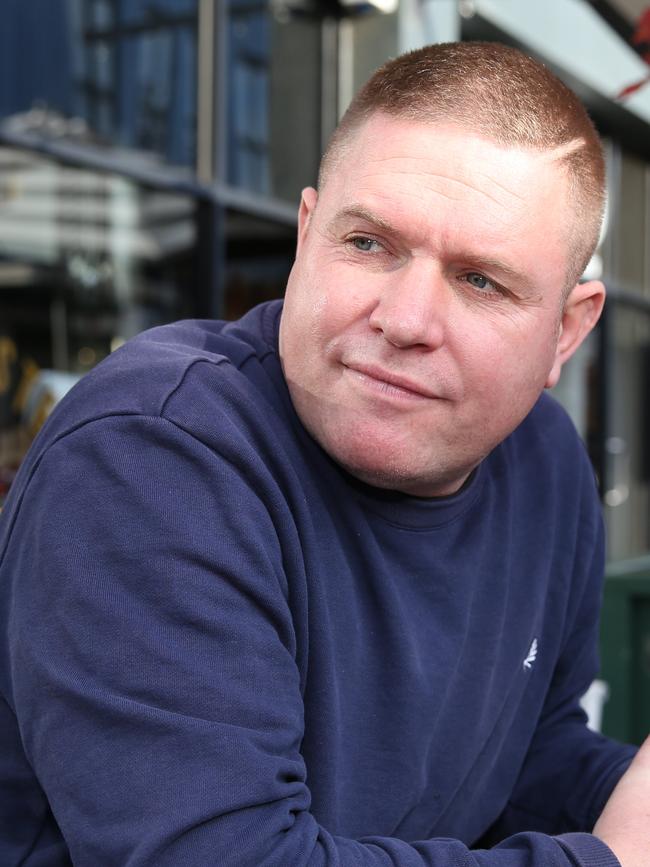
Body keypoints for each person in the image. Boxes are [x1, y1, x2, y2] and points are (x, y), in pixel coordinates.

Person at [0, 40, 647, 867]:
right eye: (370, 243)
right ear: (308, 236)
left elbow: (526, 755)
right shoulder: (153, 457)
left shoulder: (545, 461)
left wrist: (632, 789)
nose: (406, 318)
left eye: (481, 280)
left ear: (567, 329)